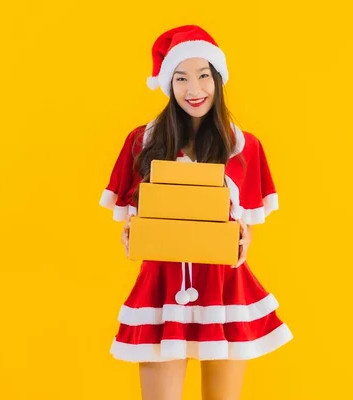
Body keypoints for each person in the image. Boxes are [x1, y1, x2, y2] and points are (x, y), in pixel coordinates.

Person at [99, 24, 292, 400]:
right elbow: (133, 219)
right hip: (162, 283)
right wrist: (131, 232)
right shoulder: (143, 142)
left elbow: (246, 225)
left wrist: (243, 238)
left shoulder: (244, 146)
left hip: (223, 288)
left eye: (203, 76)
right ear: (168, 83)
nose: (194, 90)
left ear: (217, 80)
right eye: (181, 78)